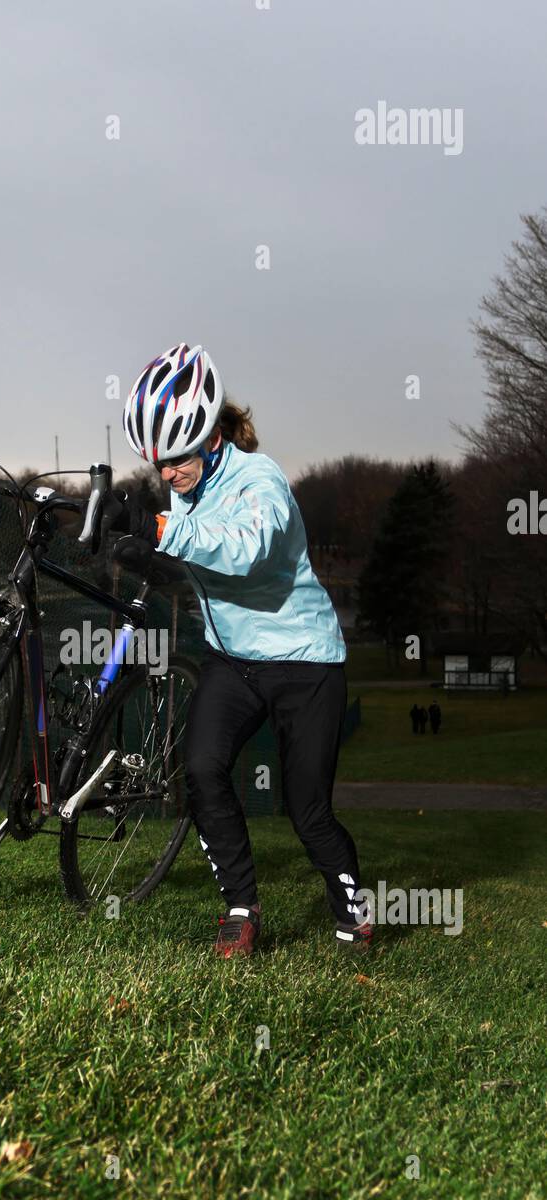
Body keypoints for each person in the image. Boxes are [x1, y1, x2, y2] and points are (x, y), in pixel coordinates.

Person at [106, 342, 371, 956]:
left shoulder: (263, 480)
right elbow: (204, 567)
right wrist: (149, 552)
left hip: (305, 663)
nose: (164, 474)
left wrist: (161, 529)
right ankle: (241, 905)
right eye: (155, 463)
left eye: (173, 460)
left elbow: (245, 549)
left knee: (307, 813)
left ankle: (353, 909)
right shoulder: (184, 490)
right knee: (201, 771)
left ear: (206, 435)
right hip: (234, 663)